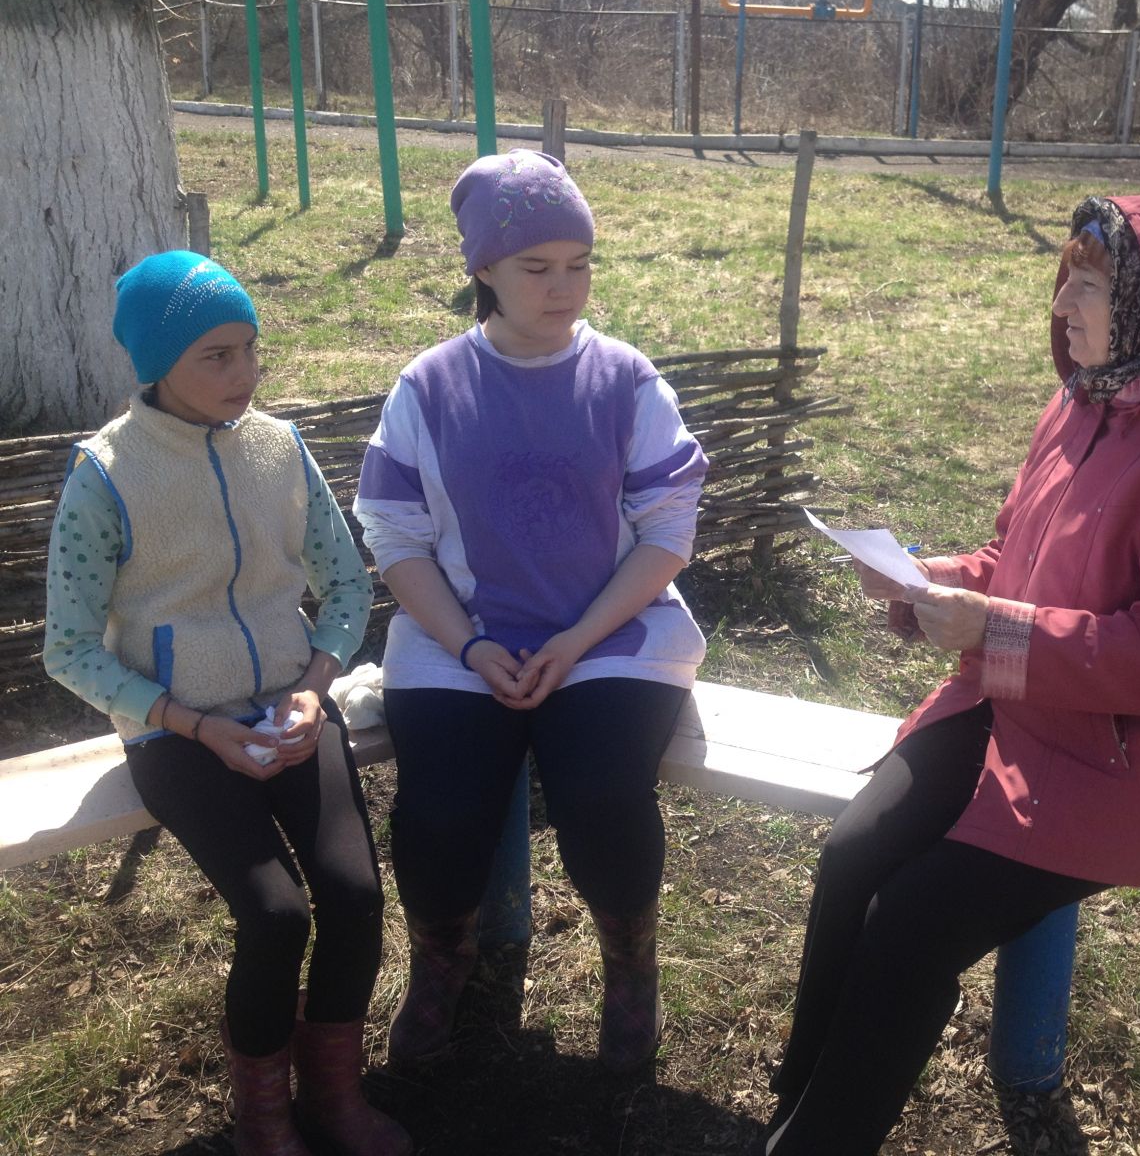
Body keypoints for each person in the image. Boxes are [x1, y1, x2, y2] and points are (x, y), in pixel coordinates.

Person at [761, 195, 1140, 1154]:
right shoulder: (1084, 401)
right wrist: (929, 579)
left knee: (911, 924)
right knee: (853, 857)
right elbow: (1015, 555)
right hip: (1024, 701)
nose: (1062, 306)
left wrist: (995, 631)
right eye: (1067, 282)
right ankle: (796, 1109)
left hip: (1137, 762)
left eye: (1087, 287)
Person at [43, 252, 408, 1156]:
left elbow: (347, 586)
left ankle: (335, 1099)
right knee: (276, 916)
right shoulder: (106, 474)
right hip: (173, 731)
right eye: (216, 355)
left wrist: (313, 691)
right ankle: (264, 1122)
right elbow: (70, 649)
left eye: (250, 348)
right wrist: (190, 722)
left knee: (356, 895)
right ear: (157, 362)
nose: (244, 372)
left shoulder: (280, 449)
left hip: (292, 710)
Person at [353, 150, 707, 1072]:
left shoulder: (626, 380)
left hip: (610, 635)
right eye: (537, 267)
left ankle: (631, 968)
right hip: (461, 637)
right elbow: (396, 539)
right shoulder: (429, 387)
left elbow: (668, 532)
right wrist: (470, 647)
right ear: (484, 270)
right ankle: (444, 961)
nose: (564, 288)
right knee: (438, 813)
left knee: (601, 794)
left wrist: (577, 640)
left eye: (580, 265)